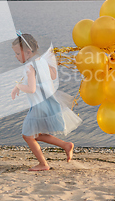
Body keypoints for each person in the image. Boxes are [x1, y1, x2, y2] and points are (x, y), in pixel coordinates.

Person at [11, 33, 82, 171]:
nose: (16, 57)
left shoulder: (28, 67)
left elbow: (31, 89)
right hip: (48, 101)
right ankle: (66, 145)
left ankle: (43, 164)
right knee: (35, 134)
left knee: (27, 135)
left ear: (28, 52)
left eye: (18, 54)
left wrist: (18, 86)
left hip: (39, 105)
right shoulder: (41, 61)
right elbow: (51, 76)